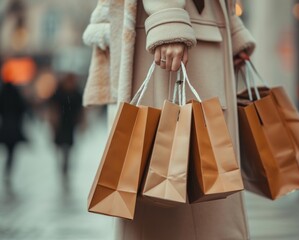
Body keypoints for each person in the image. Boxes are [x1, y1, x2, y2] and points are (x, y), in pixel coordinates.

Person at [83, 0, 255, 239]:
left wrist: (233, 32)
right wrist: (167, 18)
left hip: (200, 29)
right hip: (176, 30)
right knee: (171, 208)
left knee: (196, 195)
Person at [49, 73, 83, 176]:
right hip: (60, 123)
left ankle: (65, 164)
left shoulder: (76, 93)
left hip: (70, 123)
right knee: (59, 144)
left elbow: (80, 109)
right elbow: (53, 107)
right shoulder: (59, 92)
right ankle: (61, 162)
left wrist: (81, 121)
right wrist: (53, 120)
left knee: (68, 145)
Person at [0, 80, 27, 181]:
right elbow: (23, 108)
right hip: (14, 127)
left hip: (5, 127)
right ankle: (9, 168)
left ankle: (7, 168)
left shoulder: (3, 94)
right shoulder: (16, 95)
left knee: (8, 149)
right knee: (11, 151)